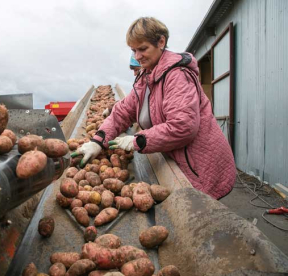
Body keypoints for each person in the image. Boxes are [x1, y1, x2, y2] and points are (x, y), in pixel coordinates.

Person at [72, 17, 236, 199]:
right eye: (134, 50)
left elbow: (183, 127)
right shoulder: (146, 77)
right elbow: (122, 112)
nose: (137, 56)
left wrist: (138, 140)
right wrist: (97, 141)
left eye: (142, 49)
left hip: (201, 165)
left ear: (161, 42)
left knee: (203, 218)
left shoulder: (177, 76)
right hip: (181, 159)